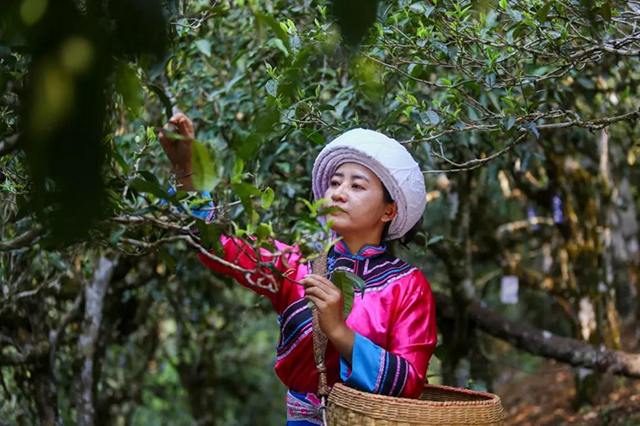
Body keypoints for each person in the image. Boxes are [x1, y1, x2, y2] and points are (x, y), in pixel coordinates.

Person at [158, 114, 437, 425]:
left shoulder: (407, 285)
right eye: (334, 182)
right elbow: (217, 244)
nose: (339, 193)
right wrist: (187, 172)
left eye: (357, 185)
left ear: (389, 210)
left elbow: (411, 383)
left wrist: (338, 330)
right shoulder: (296, 264)